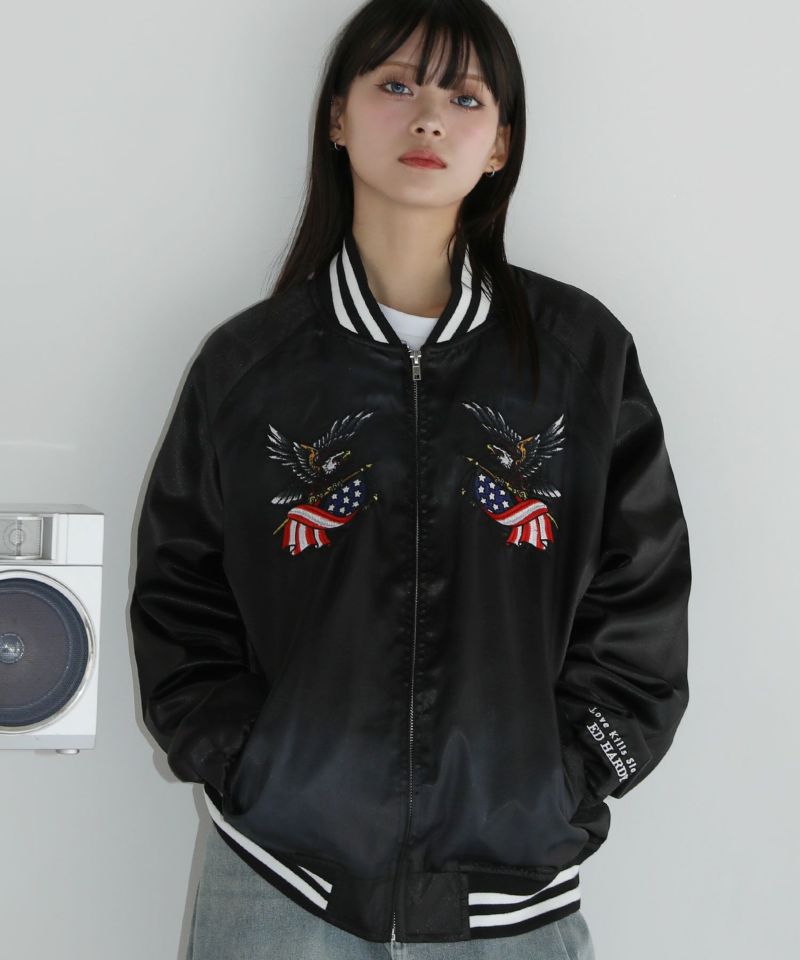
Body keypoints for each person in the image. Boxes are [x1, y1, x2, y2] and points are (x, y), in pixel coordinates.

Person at [129, 2, 692, 958]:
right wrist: (251, 763)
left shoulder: (580, 360)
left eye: (464, 97)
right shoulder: (250, 368)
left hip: (512, 898)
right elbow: (180, 595)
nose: (428, 117)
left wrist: (567, 776)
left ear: (500, 143)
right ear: (337, 117)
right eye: (395, 85)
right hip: (278, 887)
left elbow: (643, 598)